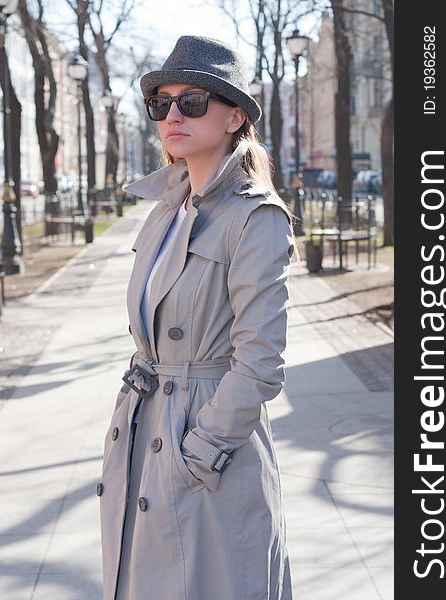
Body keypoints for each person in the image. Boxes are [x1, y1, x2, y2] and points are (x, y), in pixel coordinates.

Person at [98, 35, 299, 600]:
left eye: (192, 101)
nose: (172, 115)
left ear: (235, 116)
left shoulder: (255, 217)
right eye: (162, 102)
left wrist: (202, 450)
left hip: (207, 448)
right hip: (143, 433)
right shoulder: (166, 208)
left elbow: (260, 361)